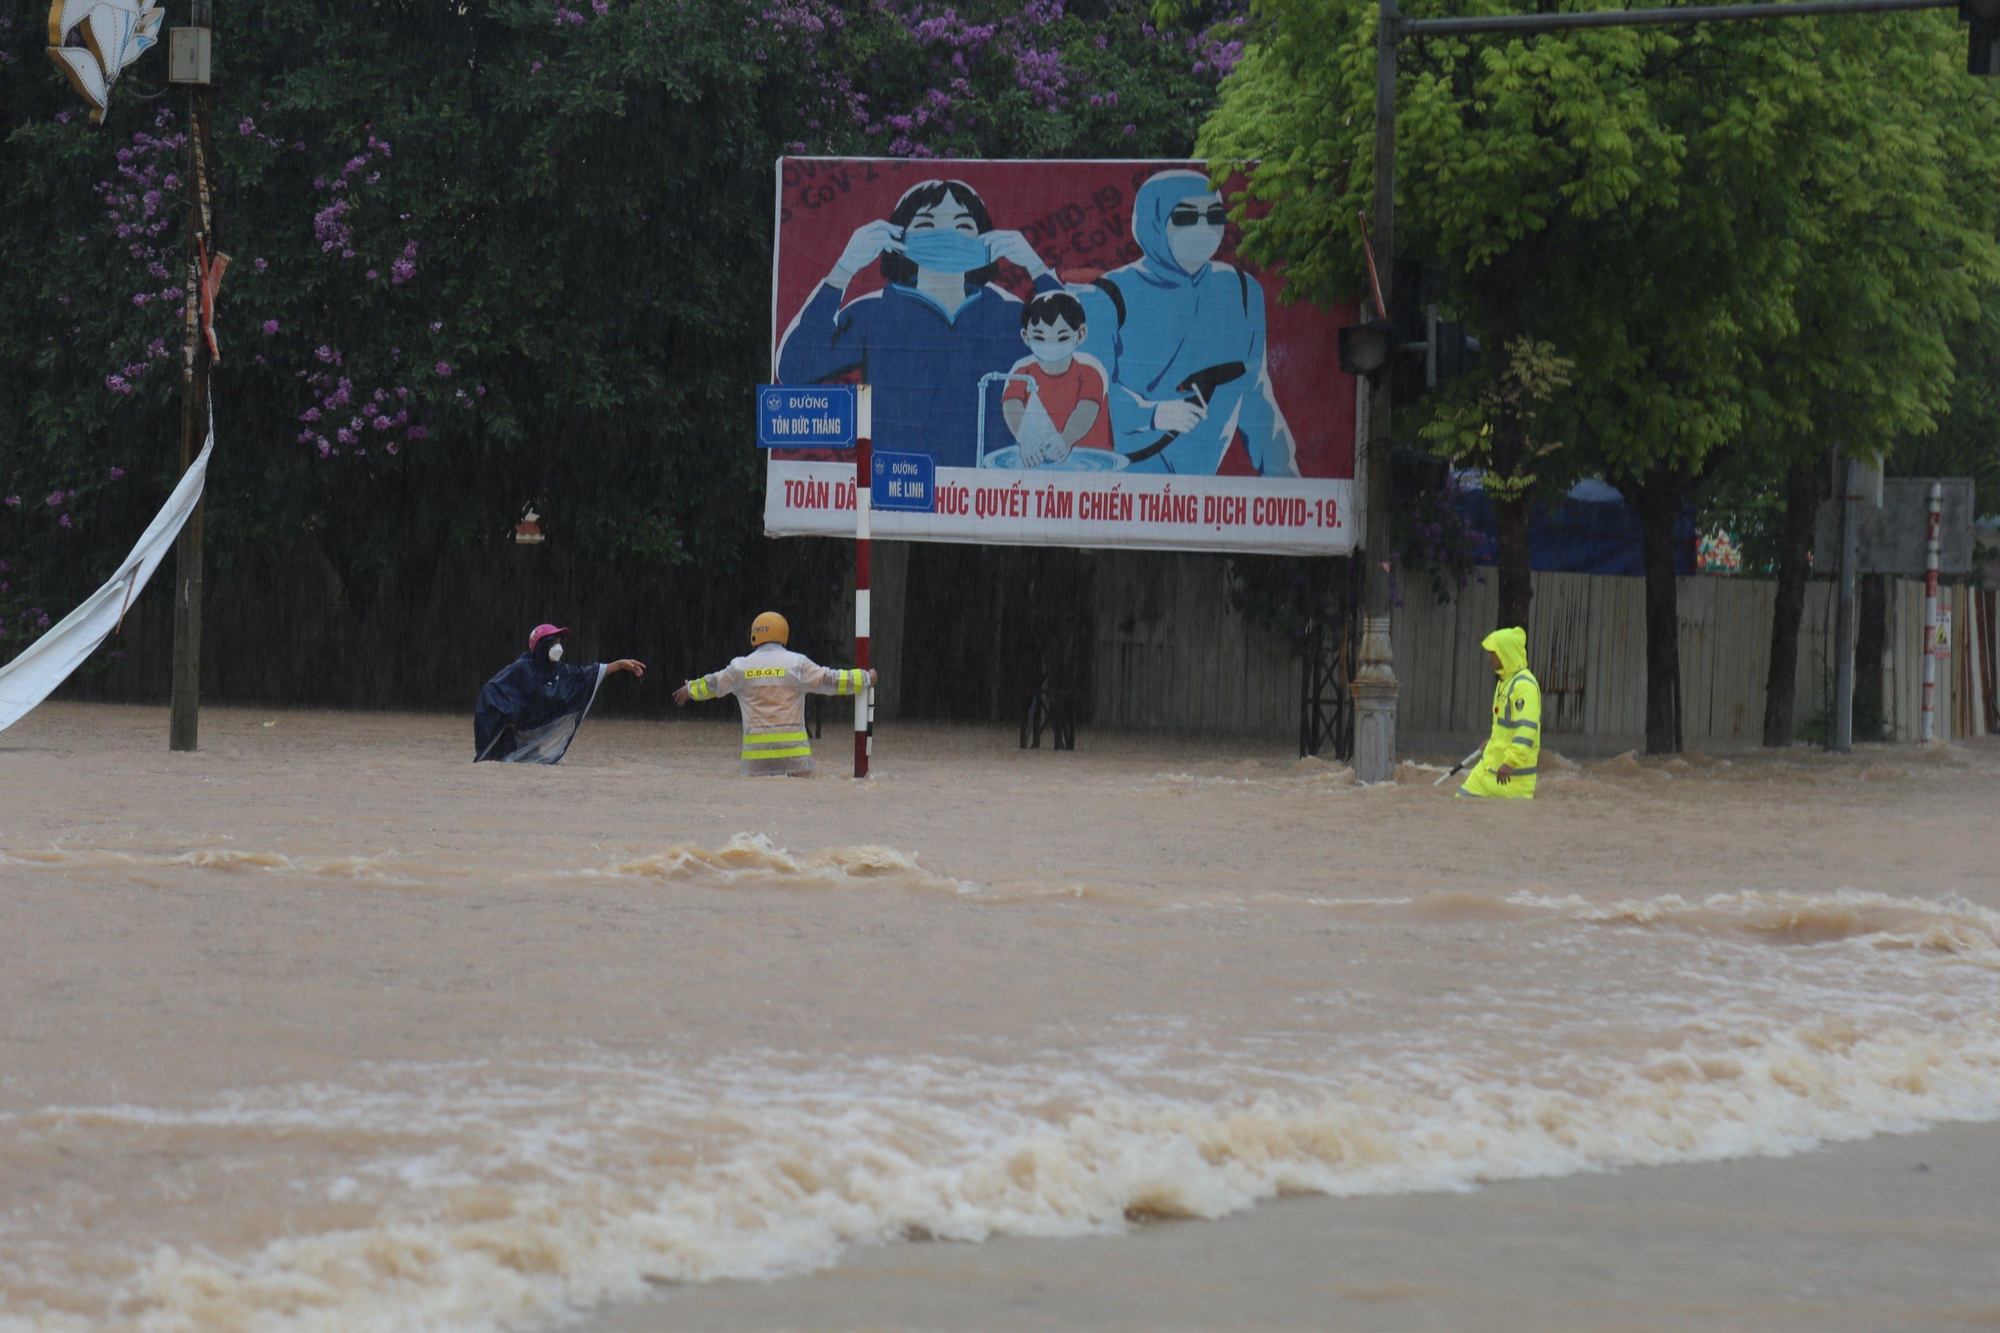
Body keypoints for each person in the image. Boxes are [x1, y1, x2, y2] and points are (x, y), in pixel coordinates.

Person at [775, 178, 1062, 469]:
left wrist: (1035, 266)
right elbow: (796, 368)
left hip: (988, 489)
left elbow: (1075, 352)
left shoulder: (1009, 315)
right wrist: (845, 267)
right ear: (899, 239)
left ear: (987, 240)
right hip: (898, 484)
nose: (946, 235)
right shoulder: (871, 313)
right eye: (926, 224)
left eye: (963, 226)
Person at [1071, 169, 1298, 477]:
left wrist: (1284, 475)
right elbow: (1087, 389)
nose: (1203, 228)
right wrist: (1153, 414)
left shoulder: (1242, 290)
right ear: (1154, 222)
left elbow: (1254, 392)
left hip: (1198, 486)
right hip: (1126, 478)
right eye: (1186, 217)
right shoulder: (1107, 295)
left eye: (1213, 216)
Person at [672, 612, 875, 775]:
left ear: (754, 636)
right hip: (795, 757)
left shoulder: (740, 668)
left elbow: (713, 683)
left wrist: (689, 689)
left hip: (755, 761)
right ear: (783, 635)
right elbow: (831, 681)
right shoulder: (796, 664)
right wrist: (866, 678)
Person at [474, 624, 645, 764]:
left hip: (533, 744)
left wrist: (620, 665)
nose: (558, 647)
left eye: (558, 642)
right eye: (553, 642)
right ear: (542, 646)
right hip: (509, 743)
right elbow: (491, 692)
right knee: (507, 767)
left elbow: (584, 675)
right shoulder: (521, 669)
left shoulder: (559, 671)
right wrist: (505, 718)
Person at [1000, 291, 1113, 466]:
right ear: (1026, 337)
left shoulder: (1089, 374)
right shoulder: (1023, 374)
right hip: (1042, 463)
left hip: (1091, 463)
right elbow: (1011, 405)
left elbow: (1087, 410)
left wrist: (1066, 440)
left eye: (1062, 337)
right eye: (1039, 337)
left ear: (1080, 334)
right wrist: (1025, 439)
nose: (1050, 345)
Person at [1459, 626, 1540, 799]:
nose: (1489, 657)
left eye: (1493, 653)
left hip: (1511, 781)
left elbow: (1526, 731)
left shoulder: (1524, 686)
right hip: (1487, 771)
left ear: (1505, 653)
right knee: (1459, 805)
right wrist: (1493, 740)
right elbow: (1506, 726)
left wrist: (1510, 762)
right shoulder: (1504, 682)